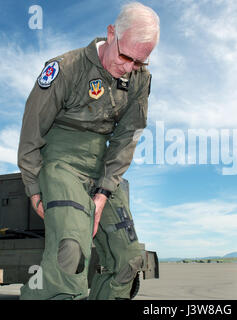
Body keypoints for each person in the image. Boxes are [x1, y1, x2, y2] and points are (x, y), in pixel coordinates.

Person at [17, 2, 160, 300]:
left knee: (129, 259)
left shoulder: (139, 80)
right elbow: (31, 132)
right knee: (70, 254)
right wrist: (34, 188)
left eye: (139, 62)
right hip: (61, 163)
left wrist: (103, 193)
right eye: (124, 56)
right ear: (111, 33)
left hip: (102, 166)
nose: (128, 68)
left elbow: (126, 138)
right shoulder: (65, 68)